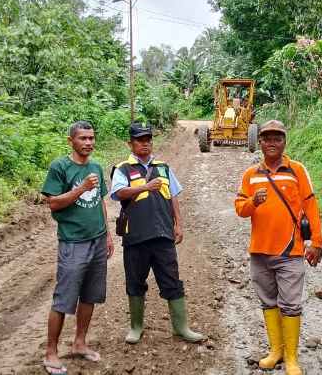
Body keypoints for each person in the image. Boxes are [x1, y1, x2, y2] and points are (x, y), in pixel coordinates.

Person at [234, 119, 322, 375]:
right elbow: (240, 209)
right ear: (259, 142)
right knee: (268, 301)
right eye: (267, 138)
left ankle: (292, 358)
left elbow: (311, 207)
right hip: (260, 251)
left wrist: (316, 242)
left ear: (284, 141)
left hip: (290, 251)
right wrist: (253, 201)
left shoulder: (296, 170)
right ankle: (276, 351)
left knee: (291, 304)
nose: (272, 143)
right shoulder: (251, 175)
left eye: (277, 138)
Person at [111, 121, 205, 345]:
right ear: (130, 143)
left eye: (148, 140)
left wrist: (178, 224)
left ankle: (181, 327)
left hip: (163, 235)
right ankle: (136, 327)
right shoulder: (123, 168)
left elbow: (173, 196)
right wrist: (144, 187)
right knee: (135, 281)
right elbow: (117, 192)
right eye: (140, 140)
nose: (145, 144)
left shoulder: (163, 167)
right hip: (135, 236)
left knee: (171, 280)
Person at [41, 120, 114, 375]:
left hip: (97, 240)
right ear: (71, 140)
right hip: (73, 242)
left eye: (91, 138)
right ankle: (51, 352)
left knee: (90, 295)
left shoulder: (95, 167)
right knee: (63, 299)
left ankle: (80, 342)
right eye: (83, 138)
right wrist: (81, 188)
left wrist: (107, 234)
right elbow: (53, 203)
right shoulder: (60, 167)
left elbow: (100, 202)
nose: (88, 143)